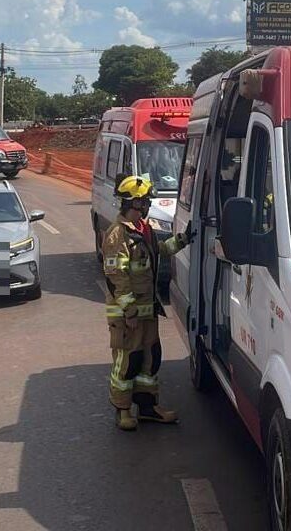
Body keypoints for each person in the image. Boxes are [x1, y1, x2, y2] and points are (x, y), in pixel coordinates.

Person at [101, 174, 193, 431]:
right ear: (134, 202)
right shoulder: (117, 235)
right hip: (127, 313)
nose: (148, 204)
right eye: (144, 201)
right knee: (128, 361)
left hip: (147, 310)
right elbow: (116, 276)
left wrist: (183, 239)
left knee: (150, 359)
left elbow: (159, 250)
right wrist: (129, 310)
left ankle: (147, 408)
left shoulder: (144, 229)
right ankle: (122, 411)